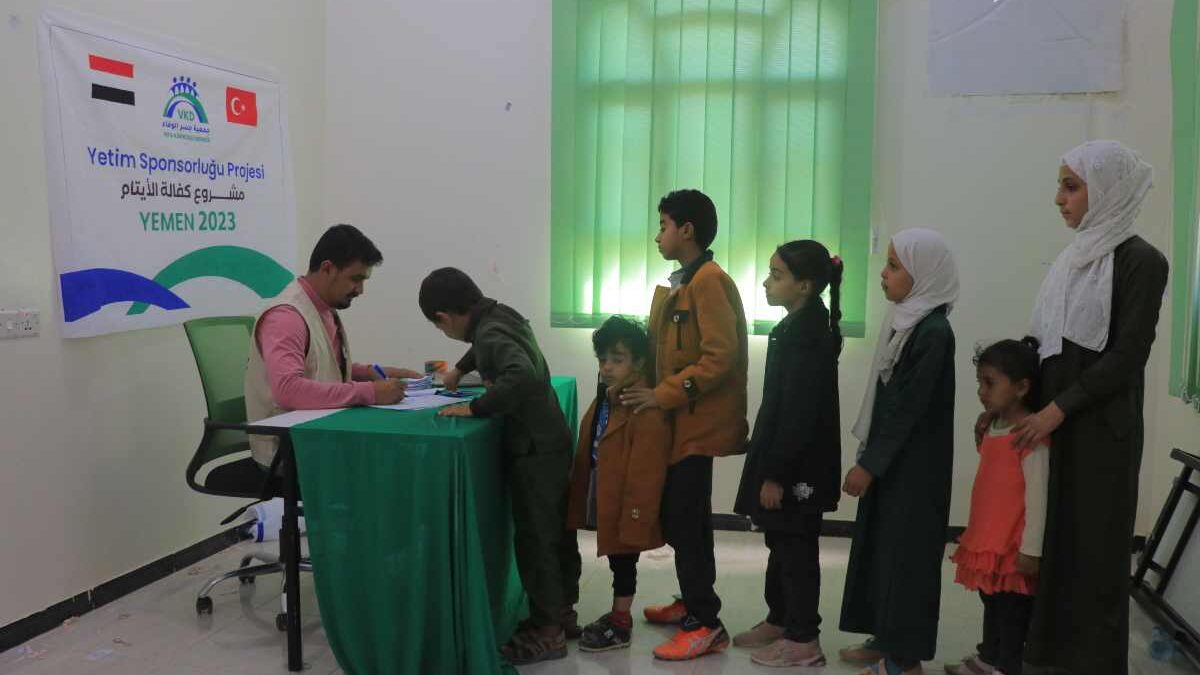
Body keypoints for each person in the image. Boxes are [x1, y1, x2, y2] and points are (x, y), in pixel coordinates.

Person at [1013, 140, 1169, 675]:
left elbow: (1127, 355)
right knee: (1056, 543)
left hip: (1102, 430)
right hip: (1056, 420)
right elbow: (1047, 344)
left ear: (1107, 190)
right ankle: (1051, 657)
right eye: (1060, 185)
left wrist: (1058, 409)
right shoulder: (1071, 259)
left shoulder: (1142, 260)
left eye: (1071, 186)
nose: (1059, 198)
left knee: (1096, 554)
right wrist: (1012, 401)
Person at [418, 267, 581, 665]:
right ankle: (561, 612)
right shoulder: (498, 315)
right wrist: (460, 370)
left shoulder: (489, 333)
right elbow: (485, 345)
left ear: (443, 317)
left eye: (439, 327)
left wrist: (476, 407)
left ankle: (548, 633)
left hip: (533, 450)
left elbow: (521, 375)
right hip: (550, 441)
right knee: (556, 533)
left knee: (536, 539)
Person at [620, 188, 749, 661]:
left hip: (698, 426)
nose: (658, 236)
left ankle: (705, 623)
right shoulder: (686, 281)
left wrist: (663, 395)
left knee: (687, 521)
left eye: (663, 226)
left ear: (687, 231)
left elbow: (719, 358)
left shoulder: (710, 282)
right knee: (683, 518)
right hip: (680, 424)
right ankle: (692, 601)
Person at [839, 228, 960, 675]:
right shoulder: (907, 322)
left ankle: (905, 660)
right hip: (893, 463)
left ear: (923, 273)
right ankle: (886, 638)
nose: (883, 274)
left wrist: (870, 465)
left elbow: (910, 407)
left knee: (907, 559)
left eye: (893, 266)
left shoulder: (934, 332)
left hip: (914, 469)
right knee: (883, 551)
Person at [732, 240, 844, 668]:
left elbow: (798, 414)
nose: (766, 282)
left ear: (805, 286)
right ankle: (780, 619)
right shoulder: (796, 326)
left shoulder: (808, 335)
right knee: (779, 541)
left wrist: (775, 474)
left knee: (796, 547)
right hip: (786, 458)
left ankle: (803, 638)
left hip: (799, 467)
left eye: (777, 275)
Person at [244, 224, 418, 469]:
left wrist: (371, 372)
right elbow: (288, 390)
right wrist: (370, 392)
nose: (360, 290)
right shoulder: (286, 317)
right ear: (328, 268)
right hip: (286, 455)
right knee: (394, 462)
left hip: (318, 438)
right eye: (355, 279)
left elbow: (320, 367)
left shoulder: (323, 309)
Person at [565, 316, 671, 652]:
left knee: (624, 559)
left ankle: (621, 624)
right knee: (616, 557)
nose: (607, 367)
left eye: (617, 359)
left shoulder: (643, 407)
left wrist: (636, 514)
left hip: (628, 499)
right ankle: (617, 615)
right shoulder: (609, 395)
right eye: (602, 359)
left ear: (638, 362)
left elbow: (646, 472)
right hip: (607, 487)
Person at [947, 338, 1049, 675]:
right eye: (980, 382)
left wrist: (1031, 549)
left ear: (1021, 388)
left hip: (1012, 545)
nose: (982, 391)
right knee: (989, 598)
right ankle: (989, 656)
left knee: (1011, 610)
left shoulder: (1030, 436)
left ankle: (1007, 666)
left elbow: (1038, 497)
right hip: (988, 539)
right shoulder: (991, 426)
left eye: (990, 383)